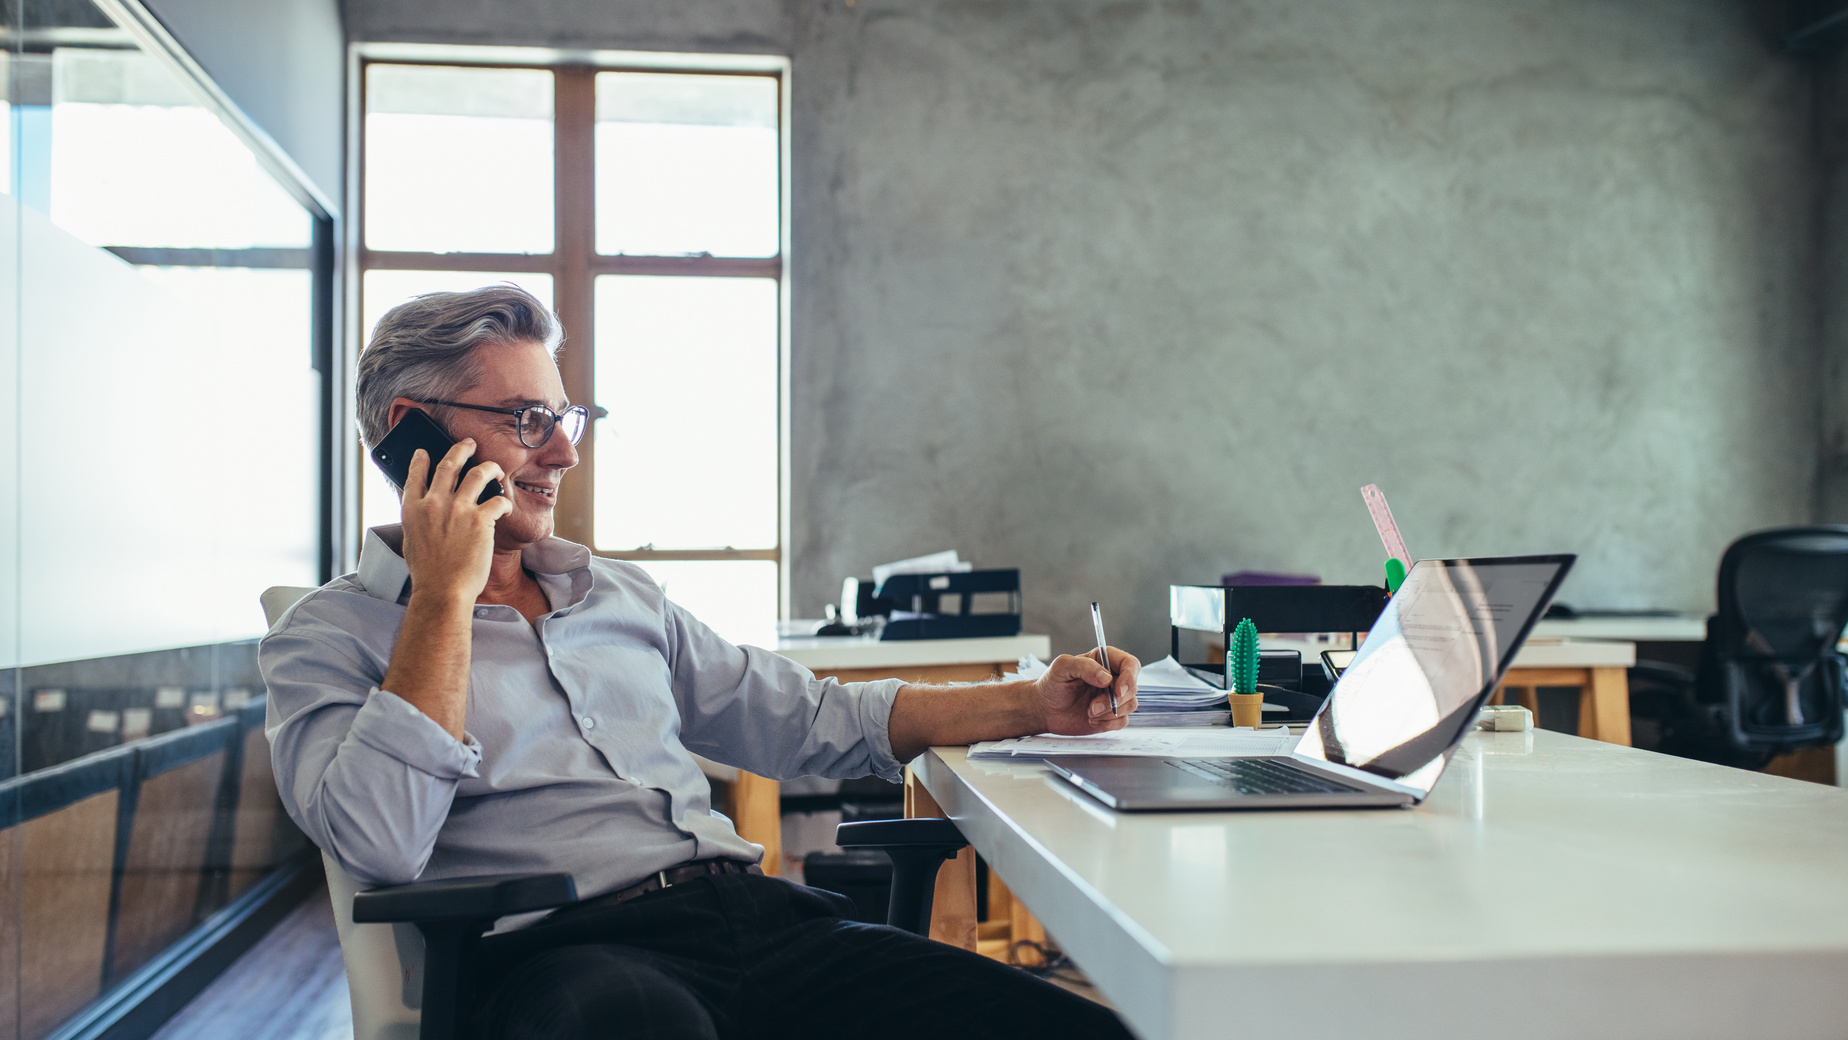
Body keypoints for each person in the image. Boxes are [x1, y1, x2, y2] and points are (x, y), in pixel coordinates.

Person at [262, 285, 1142, 1040]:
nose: (564, 452)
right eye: (529, 421)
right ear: (409, 434)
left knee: (1079, 1029)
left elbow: (814, 720)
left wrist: (1035, 702)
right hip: (563, 958)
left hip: (757, 923)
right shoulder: (327, 636)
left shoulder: (618, 597)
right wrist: (445, 597)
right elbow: (379, 839)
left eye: (564, 419)